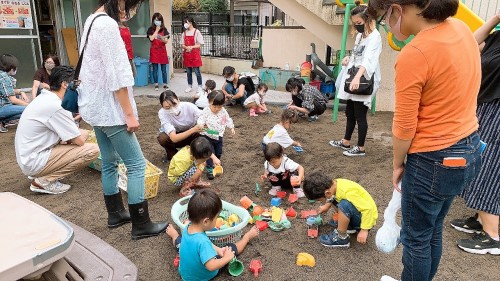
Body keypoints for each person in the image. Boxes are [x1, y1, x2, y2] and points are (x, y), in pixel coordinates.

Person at [368, 0, 483, 280]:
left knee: (416, 239)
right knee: (432, 229)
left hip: (433, 159)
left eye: (384, 18)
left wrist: (398, 164)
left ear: (397, 9)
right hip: (468, 148)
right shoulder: (459, 29)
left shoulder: (415, 53)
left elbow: (404, 127)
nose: (386, 26)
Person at [78, 0, 168, 240]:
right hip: (112, 110)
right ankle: (141, 223)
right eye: (130, 6)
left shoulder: (91, 21)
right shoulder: (107, 26)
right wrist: (129, 114)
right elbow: (117, 76)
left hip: (97, 109)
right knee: (137, 165)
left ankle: (116, 213)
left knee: (109, 161)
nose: (130, 12)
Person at [451, 12, 500, 255]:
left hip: (497, 111)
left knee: (489, 167)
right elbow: (468, 44)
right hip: (485, 106)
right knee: (476, 161)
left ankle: (493, 235)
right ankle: (482, 218)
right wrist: (494, 19)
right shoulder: (496, 37)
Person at [14, 66, 99, 194]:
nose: (80, 88)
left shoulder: (45, 98)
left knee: (86, 133)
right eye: (77, 84)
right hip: (34, 160)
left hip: (29, 156)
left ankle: (45, 172)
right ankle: (44, 181)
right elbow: (79, 141)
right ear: (65, 84)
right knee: (92, 150)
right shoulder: (57, 106)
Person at [166, 189, 260, 281]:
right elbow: (211, 266)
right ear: (206, 221)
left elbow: (201, 246)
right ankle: (246, 237)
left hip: (186, 275)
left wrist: (218, 249)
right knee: (231, 248)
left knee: (181, 243)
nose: (216, 220)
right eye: (216, 218)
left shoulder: (187, 227)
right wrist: (227, 257)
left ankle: (175, 235)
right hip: (201, 277)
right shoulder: (203, 242)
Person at [330, 1, 382, 157]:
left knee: (360, 115)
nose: (357, 26)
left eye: (359, 23)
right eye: (355, 23)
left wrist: (358, 77)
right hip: (353, 76)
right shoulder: (360, 35)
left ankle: (360, 148)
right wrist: (347, 58)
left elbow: (368, 60)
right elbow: (357, 54)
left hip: (364, 79)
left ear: (367, 19)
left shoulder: (375, 37)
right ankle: (346, 141)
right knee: (350, 112)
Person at [303, 171, 378, 248]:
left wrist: (364, 230)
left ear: (327, 193)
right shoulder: (334, 184)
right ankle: (348, 225)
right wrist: (326, 206)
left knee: (344, 205)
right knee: (335, 200)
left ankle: (341, 237)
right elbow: (331, 197)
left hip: (365, 220)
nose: (320, 202)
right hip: (359, 215)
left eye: (319, 200)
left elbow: (368, 209)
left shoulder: (348, 192)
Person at [197, 90, 235, 180]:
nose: (217, 109)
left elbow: (227, 119)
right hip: (208, 134)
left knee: (218, 151)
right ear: (209, 102)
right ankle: (210, 168)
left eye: (219, 107)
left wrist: (231, 127)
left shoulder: (223, 111)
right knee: (210, 152)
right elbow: (201, 118)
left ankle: (216, 163)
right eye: (214, 106)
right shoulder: (206, 110)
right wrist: (201, 124)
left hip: (218, 135)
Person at [157, 90, 203, 162]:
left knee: (203, 133)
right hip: (177, 135)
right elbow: (174, 138)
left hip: (193, 135)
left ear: (178, 99)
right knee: (163, 138)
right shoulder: (162, 113)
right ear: (162, 106)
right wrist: (193, 129)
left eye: (174, 104)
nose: (172, 109)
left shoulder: (189, 106)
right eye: (167, 107)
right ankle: (173, 156)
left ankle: (197, 154)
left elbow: (204, 117)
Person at [0, 54, 29, 133]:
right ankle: (3, 121)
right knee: (30, 109)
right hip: (2, 107)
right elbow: (13, 99)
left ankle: (2, 122)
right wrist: (30, 105)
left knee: (24, 110)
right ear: (10, 66)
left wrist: (21, 92)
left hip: (4, 106)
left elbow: (9, 90)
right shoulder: (4, 77)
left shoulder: (2, 75)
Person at [147, 12, 170, 91]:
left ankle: (165, 84)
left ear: (161, 21)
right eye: (156, 20)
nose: (157, 21)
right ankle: (156, 84)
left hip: (162, 51)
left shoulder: (164, 29)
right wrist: (156, 30)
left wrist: (162, 38)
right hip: (154, 51)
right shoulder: (150, 29)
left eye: (159, 20)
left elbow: (166, 41)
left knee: (164, 69)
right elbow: (151, 38)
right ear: (153, 20)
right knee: (155, 69)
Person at [182, 16, 204, 93]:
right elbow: (182, 44)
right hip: (187, 54)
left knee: (197, 71)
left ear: (190, 23)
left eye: (186, 22)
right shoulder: (184, 33)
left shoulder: (196, 32)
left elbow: (200, 44)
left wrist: (192, 47)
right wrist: (186, 47)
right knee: (188, 72)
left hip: (195, 54)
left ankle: (200, 86)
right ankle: (189, 85)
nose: (185, 24)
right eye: (184, 22)